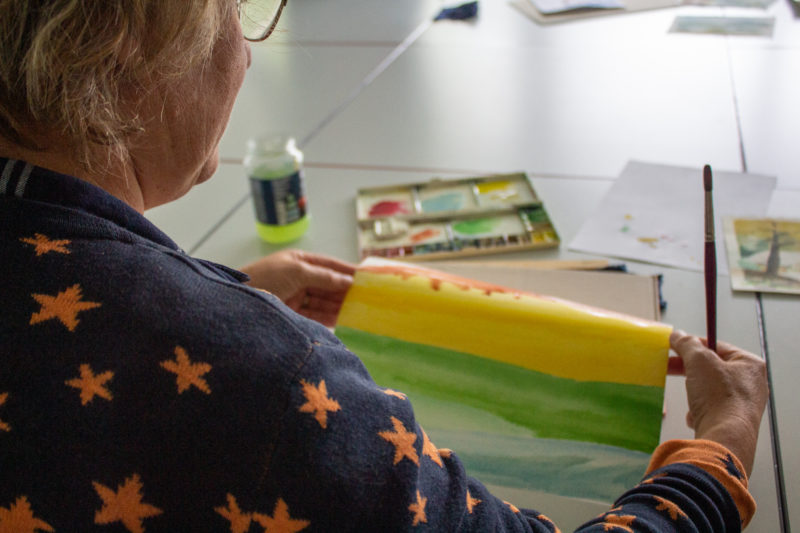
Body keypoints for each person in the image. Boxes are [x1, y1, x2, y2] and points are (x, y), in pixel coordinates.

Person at [0, 1, 768, 531]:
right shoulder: (272, 383)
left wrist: (225, 290)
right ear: (125, 41)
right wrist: (721, 447)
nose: (246, 47)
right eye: (234, 11)